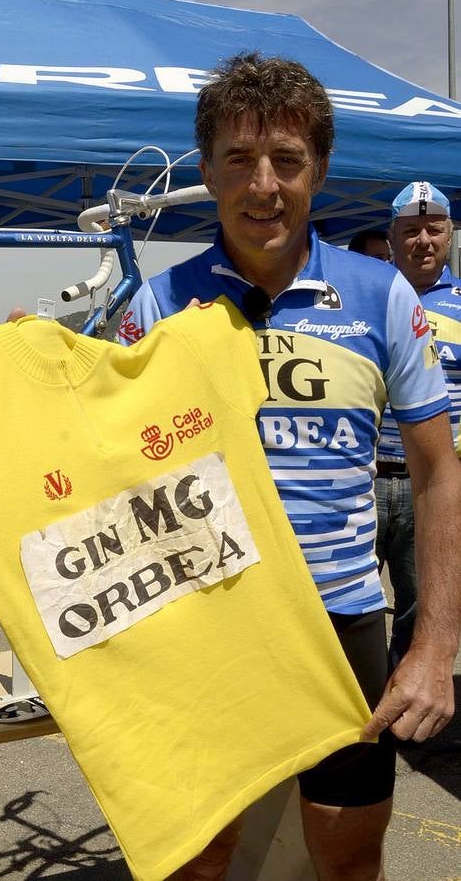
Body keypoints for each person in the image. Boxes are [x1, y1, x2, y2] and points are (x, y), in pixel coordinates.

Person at [121, 52, 461, 880]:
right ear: (207, 171)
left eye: (286, 161)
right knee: (198, 864)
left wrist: (433, 647)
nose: (263, 184)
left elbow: (438, 474)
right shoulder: (154, 308)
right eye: (239, 160)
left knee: (348, 863)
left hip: (339, 627)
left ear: (320, 171)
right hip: (205, 628)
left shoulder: (384, 295)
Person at [377, 182, 461, 665]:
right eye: (411, 230)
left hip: (428, 484)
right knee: (350, 605)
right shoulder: (368, 298)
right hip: (363, 479)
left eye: (434, 229)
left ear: (449, 235)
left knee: (421, 609)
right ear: (393, 236)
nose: (423, 240)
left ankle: (401, 712)